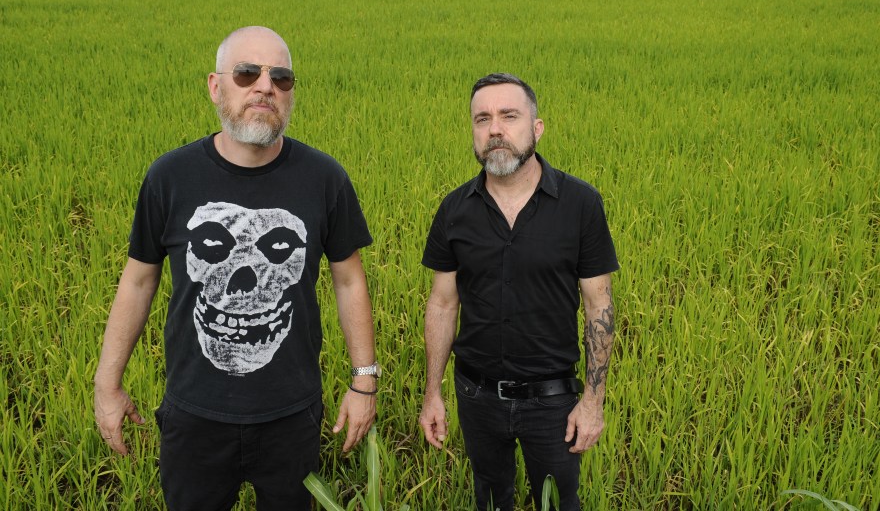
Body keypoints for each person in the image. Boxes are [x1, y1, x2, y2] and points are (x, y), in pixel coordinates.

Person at [94, 26, 381, 511]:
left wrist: (364, 381)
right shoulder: (170, 177)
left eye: (281, 77)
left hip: (292, 414)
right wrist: (107, 384)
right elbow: (139, 280)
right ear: (215, 86)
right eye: (247, 73)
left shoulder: (324, 178)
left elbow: (349, 280)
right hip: (193, 414)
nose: (265, 86)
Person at [418, 73, 619, 511]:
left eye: (509, 116)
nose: (495, 129)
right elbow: (443, 303)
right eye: (482, 119)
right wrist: (433, 393)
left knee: (559, 502)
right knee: (490, 499)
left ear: (536, 128)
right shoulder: (454, 210)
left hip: (553, 402)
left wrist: (593, 402)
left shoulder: (581, 205)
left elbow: (598, 305)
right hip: (477, 396)